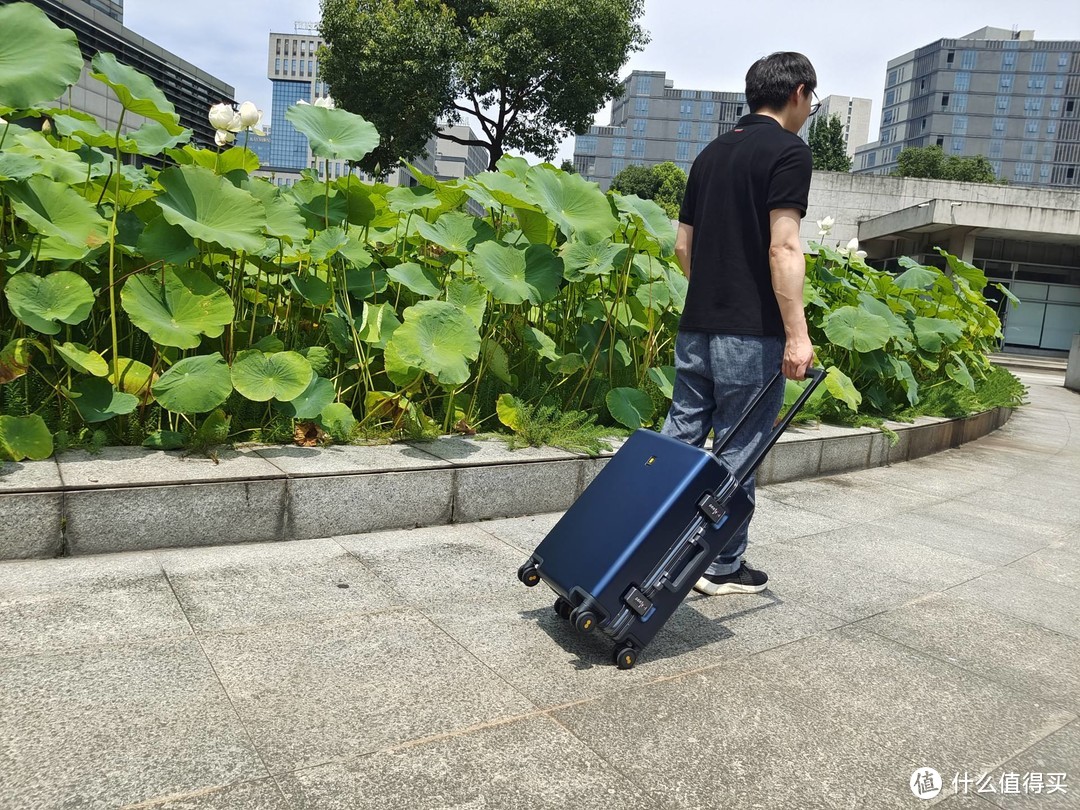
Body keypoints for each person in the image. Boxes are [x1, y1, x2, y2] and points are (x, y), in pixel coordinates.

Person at [662, 52, 818, 596]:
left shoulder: (709, 154)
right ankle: (721, 564)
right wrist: (797, 335)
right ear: (798, 92)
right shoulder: (789, 152)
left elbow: (684, 246)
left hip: (697, 323)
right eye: (811, 101)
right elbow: (785, 246)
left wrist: (712, 292)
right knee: (739, 449)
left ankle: (650, 543)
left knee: (678, 441)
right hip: (751, 334)